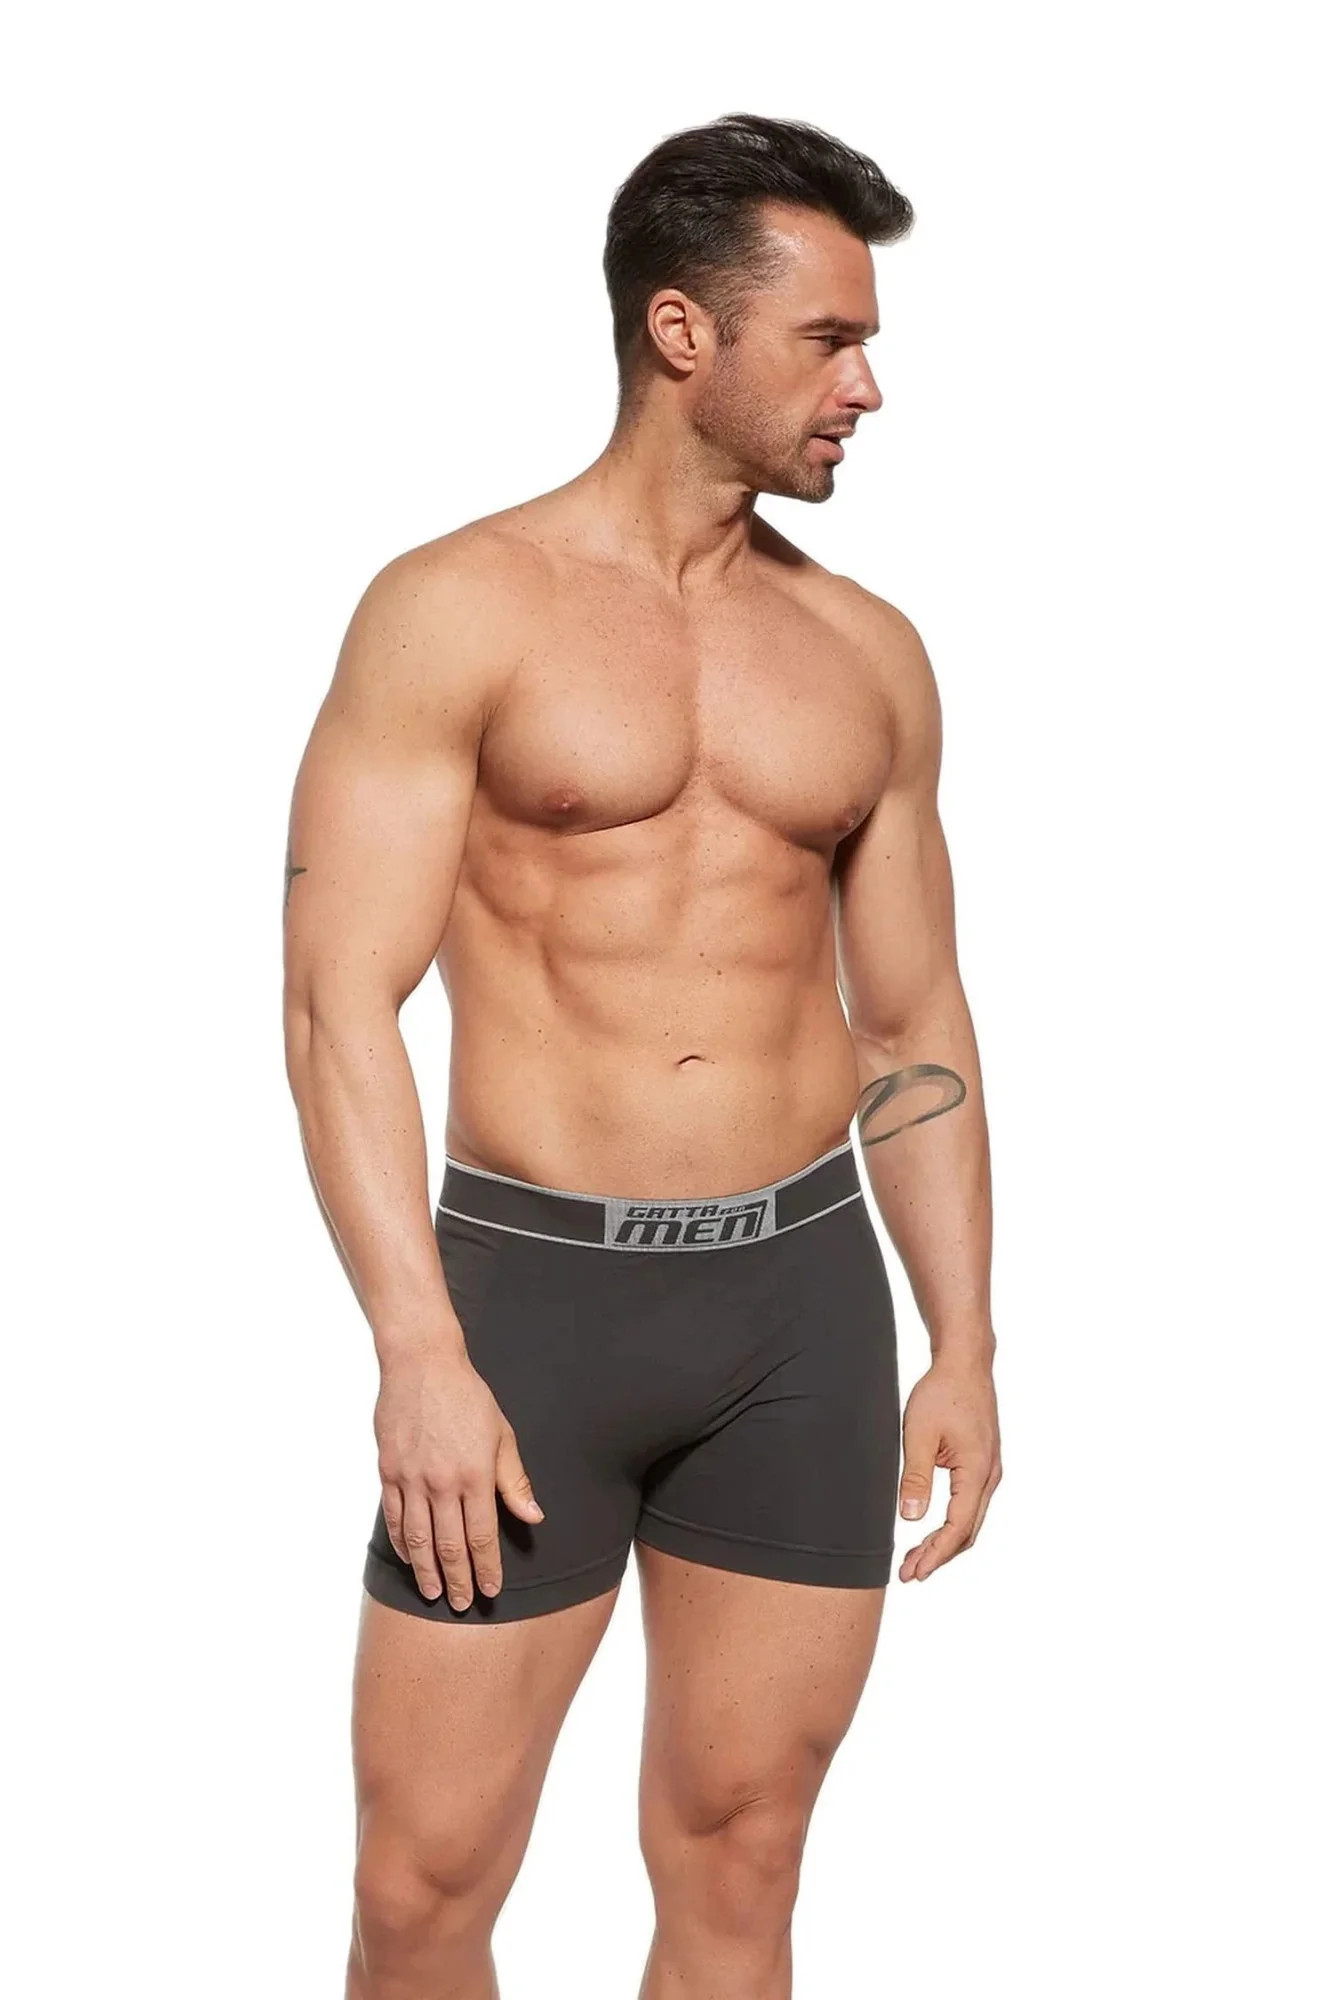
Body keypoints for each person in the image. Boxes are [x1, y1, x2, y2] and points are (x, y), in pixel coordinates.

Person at [283, 110, 1002, 2000]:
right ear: (682, 332)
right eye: (827, 341)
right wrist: (417, 1350)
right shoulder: (457, 609)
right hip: (531, 1308)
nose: (867, 388)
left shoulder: (864, 653)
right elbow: (337, 1001)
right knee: (423, 1886)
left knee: (743, 1859)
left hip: (796, 1315)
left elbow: (911, 1021)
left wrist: (963, 1339)